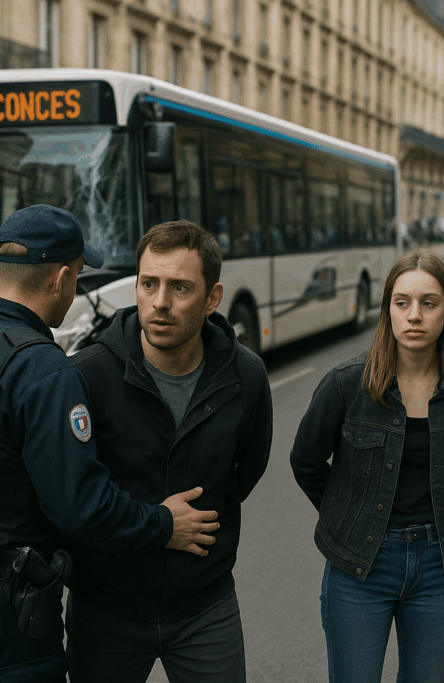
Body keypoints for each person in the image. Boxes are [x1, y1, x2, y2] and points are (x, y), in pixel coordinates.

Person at [0, 205, 218, 682]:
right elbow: (81, 507)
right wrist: (162, 523)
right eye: (78, 276)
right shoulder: (42, 369)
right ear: (61, 279)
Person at [66, 220, 273, 683]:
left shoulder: (247, 375)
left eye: (180, 287)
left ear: (212, 298)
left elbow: (246, 469)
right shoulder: (87, 375)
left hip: (205, 607)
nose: (160, 302)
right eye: (149, 284)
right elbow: (76, 498)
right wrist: (159, 526)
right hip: (107, 610)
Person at [291, 250, 444, 683]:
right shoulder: (347, 382)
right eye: (402, 303)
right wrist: (347, 514)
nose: (414, 315)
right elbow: (306, 460)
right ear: (388, 311)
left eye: (429, 303)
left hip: (439, 566)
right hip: (361, 564)